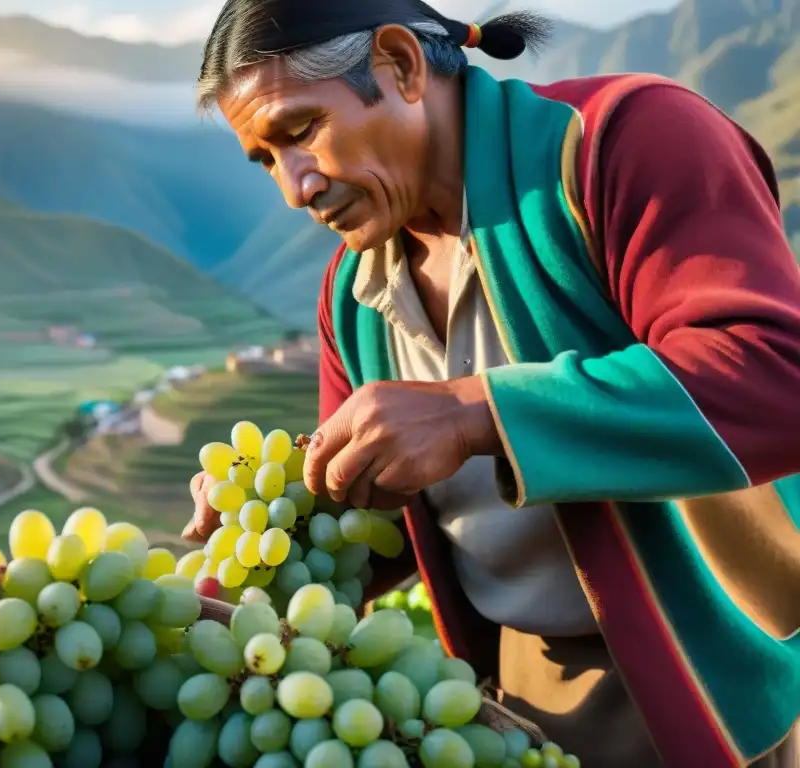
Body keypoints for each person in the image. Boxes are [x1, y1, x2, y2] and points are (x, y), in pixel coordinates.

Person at [182, 1, 800, 764]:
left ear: (401, 64)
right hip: (515, 694)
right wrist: (262, 538)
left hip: (709, 670)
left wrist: (475, 412)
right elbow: (372, 528)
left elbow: (776, 373)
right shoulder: (353, 295)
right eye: (265, 160)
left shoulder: (622, 141)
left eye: (300, 132)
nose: (294, 187)